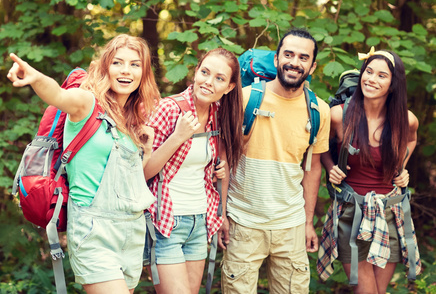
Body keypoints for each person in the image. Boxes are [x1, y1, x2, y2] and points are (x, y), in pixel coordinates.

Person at [7, 34, 160, 294]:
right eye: (118, 63)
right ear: (105, 67)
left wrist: (146, 148)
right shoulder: (86, 103)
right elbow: (57, 94)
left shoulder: (132, 121)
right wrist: (35, 77)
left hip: (131, 232)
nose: (126, 71)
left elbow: (135, 181)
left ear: (143, 72)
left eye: (135, 64)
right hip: (94, 232)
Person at [220, 28, 331, 293]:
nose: (295, 62)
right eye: (288, 54)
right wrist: (221, 213)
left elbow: (313, 170)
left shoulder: (319, 111)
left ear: (312, 66)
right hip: (242, 222)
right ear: (276, 59)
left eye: (303, 57)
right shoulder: (245, 98)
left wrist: (307, 223)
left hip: (290, 226)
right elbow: (223, 157)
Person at [317, 47, 421, 293]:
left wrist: (401, 167)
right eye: (369, 72)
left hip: (391, 213)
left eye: (381, 75)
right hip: (351, 213)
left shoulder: (406, 120)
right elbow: (320, 147)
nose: (371, 79)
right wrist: (331, 168)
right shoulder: (338, 116)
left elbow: (411, 140)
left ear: (393, 84)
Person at [143, 48, 244, 293]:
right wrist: (177, 137)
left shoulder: (218, 115)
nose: (208, 82)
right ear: (196, 71)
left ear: (229, 87)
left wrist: (221, 215)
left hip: (200, 221)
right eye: (205, 72)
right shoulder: (168, 109)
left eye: (219, 78)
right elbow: (143, 172)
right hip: (166, 222)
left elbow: (221, 164)